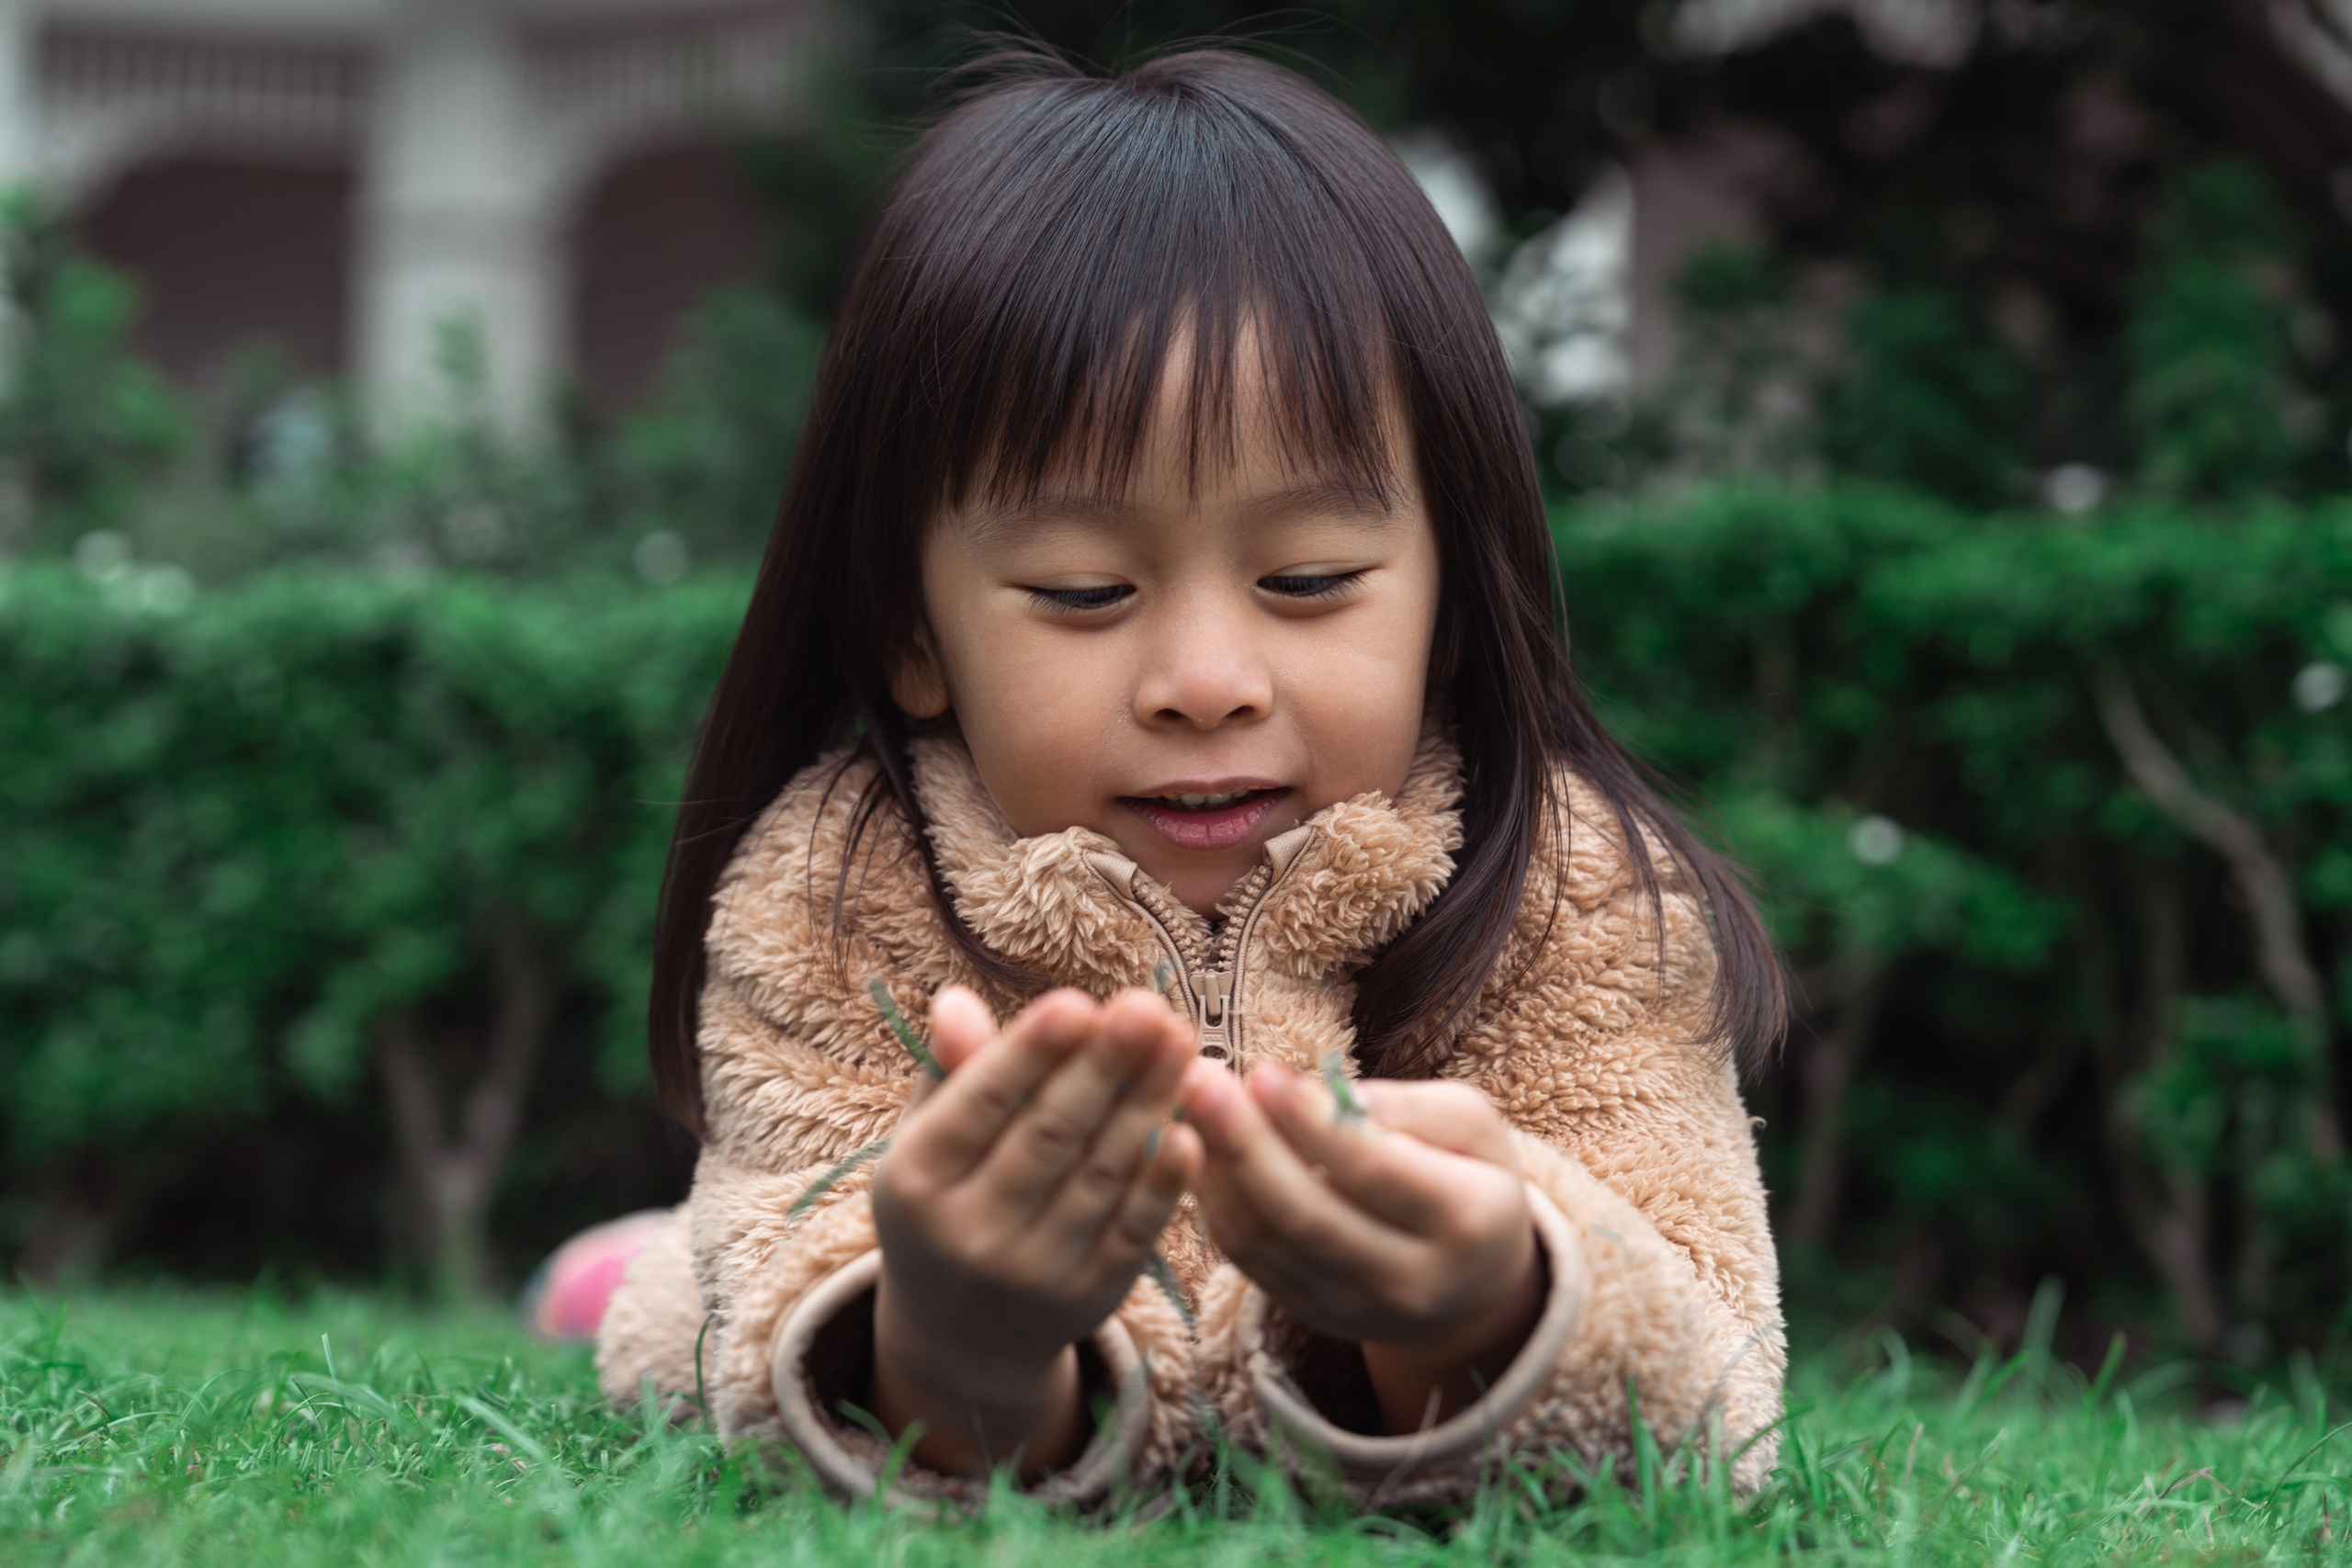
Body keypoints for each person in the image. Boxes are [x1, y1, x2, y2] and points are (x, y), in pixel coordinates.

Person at [588, 46, 1788, 1510]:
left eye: (1309, 577)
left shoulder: (1577, 894)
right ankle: (606, 1273)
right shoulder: (832, 896)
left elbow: (1714, 1378)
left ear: (1448, 602)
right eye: (1086, 590)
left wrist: (1483, 1304)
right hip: (839, 1299)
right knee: (676, 1319)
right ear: (916, 633)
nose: (1206, 677)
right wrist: (961, 1338)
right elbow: (796, 1328)